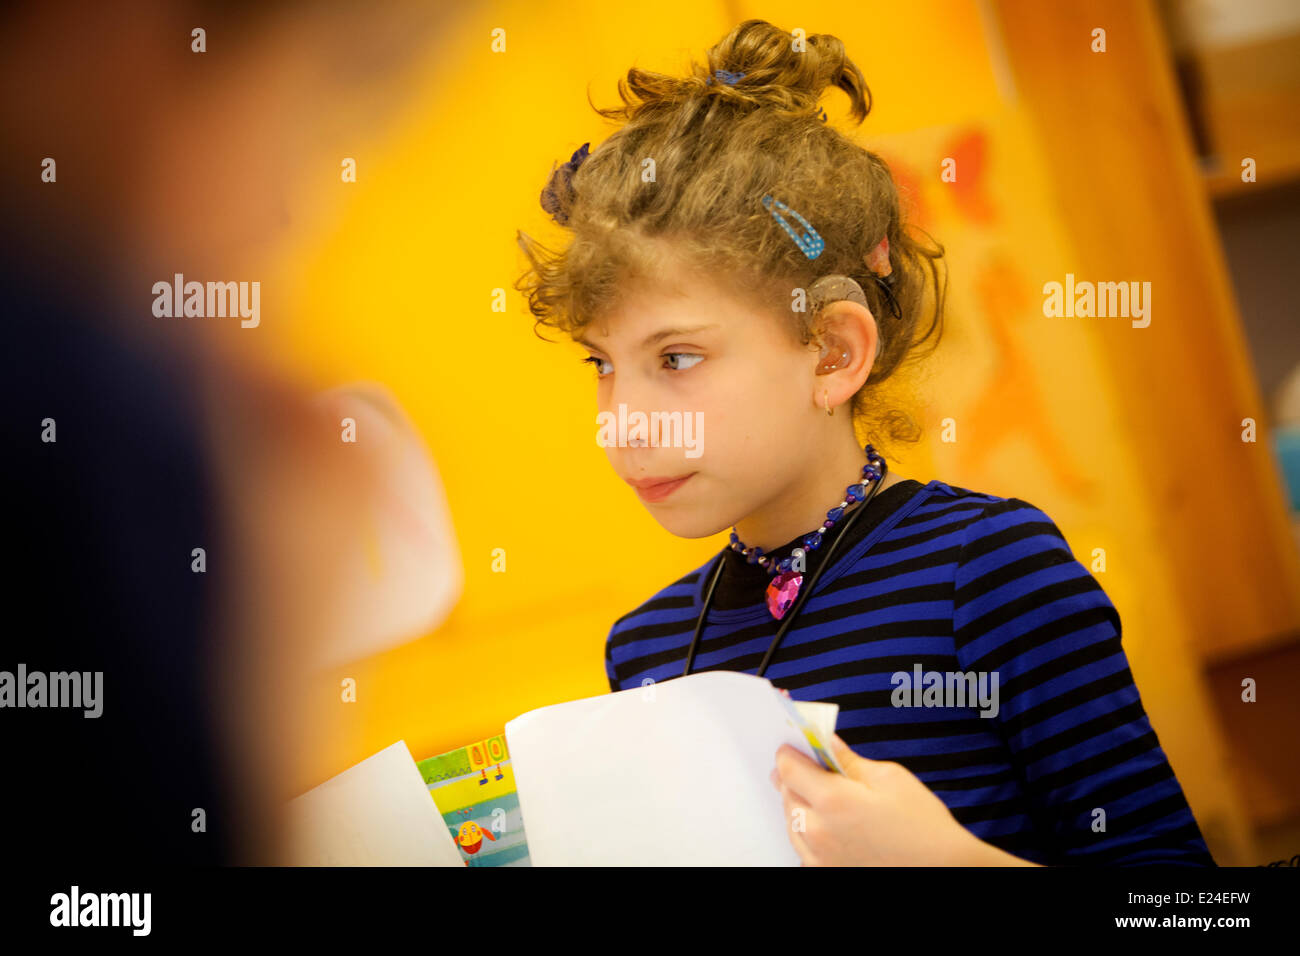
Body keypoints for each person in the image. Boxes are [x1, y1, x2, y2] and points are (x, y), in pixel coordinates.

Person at [514, 18, 1215, 866]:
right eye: (602, 364)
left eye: (676, 357)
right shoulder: (646, 649)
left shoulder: (990, 572)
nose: (620, 419)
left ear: (833, 352)